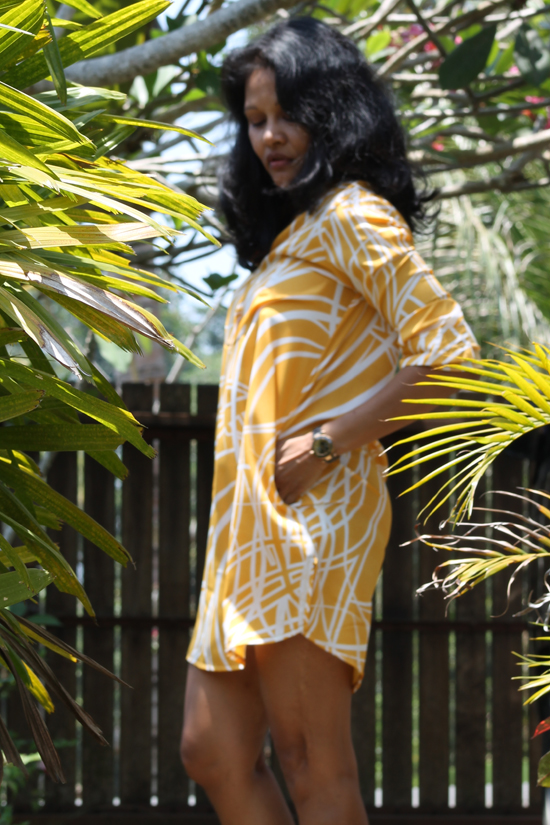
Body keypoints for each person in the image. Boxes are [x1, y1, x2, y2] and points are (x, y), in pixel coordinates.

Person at [181, 17, 478, 825]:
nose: (269, 137)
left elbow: (450, 354)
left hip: (313, 519)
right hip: (248, 530)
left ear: (334, 111)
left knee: (314, 764)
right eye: (255, 120)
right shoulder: (293, 237)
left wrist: (325, 440)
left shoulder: (353, 213)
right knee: (211, 748)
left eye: (288, 114)